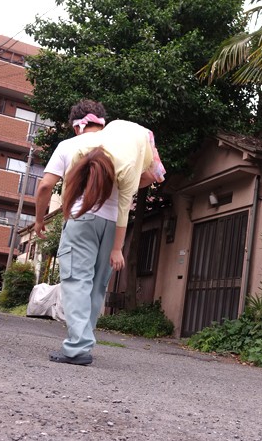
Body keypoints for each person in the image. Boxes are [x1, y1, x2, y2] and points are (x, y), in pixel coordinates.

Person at [34, 101, 164, 366]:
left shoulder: (71, 145)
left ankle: (77, 347)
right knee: (96, 285)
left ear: (77, 126)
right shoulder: (120, 144)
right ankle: (84, 341)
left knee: (76, 281)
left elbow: (45, 186)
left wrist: (38, 220)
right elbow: (151, 176)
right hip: (114, 224)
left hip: (82, 219)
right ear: (102, 122)